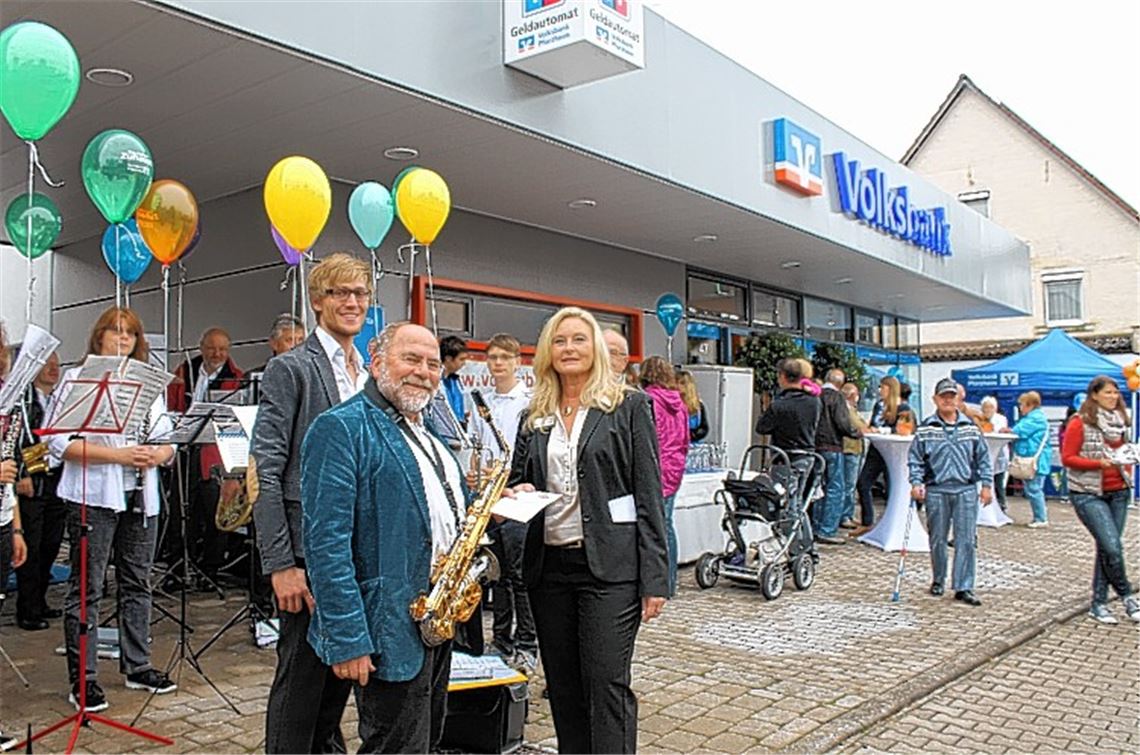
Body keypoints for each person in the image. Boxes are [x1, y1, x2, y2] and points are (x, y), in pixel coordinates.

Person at [507, 306, 668, 754]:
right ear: (547, 352)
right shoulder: (534, 413)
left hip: (610, 568)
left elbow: (648, 492)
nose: (569, 348)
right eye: (559, 341)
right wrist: (515, 489)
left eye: (578, 339)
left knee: (605, 683)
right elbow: (520, 477)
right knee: (563, 686)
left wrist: (656, 577)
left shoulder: (628, 405)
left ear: (594, 347)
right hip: (549, 568)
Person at [302, 323, 466, 753]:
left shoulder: (427, 433)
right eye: (411, 359)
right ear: (376, 363)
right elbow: (326, 546)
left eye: (433, 364)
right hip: (387, 624)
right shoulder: (340, 428)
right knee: (394, 746)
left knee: (426, 739)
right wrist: (347, 639)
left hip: (437, 616)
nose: (424, 372)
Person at [251, 252, 372, 754]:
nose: (351, 302)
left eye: (360, 293)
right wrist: (280, 564)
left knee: (336, 683)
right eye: (340, 293)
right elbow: (265, 470)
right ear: (318, 302)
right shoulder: (290, 369)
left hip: (357, 550)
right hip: (306, 554)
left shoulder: (368, 372)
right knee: (300, 686)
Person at [47, 307, 178, 712]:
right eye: (115, 332)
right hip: (94, 496)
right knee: (87, 587)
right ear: (98, 336)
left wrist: (158, 453)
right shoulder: (77, 379)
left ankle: (137, 665)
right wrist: (117, 456)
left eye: (131, 335)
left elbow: (169, 441)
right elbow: (58, 443)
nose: (123, 340)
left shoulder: (147, 384)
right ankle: (83, 680)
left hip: (140, 497)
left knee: (138, 582)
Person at [468, 334, 537, 670]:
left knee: (519, 575)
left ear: (517, 362)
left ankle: (527, 644)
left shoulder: (529, 402)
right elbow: (477, 447)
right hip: (488, 493)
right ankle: (501, 641)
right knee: (497, 575)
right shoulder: (483, 401)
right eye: (491, 357)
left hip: (515, 492)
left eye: (503, 358)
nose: (496, 364)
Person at [167, 326, 245, 587]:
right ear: (202, 347)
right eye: (212, 348)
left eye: (223, 349)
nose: (217, 354)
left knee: (215, 514)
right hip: (185, 451)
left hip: (216, 455)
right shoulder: (184, 371)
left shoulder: (236, 377)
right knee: (181, 513)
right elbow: (172, 407)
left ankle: (209, 571)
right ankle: (178, 569)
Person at [1060, 376, 1139, 624]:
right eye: (1108, 393)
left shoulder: (1121, 422)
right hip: (1088, 492)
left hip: (1118, 490)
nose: (1113, 397)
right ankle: (1127, 595)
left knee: (1107, 548)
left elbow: (1122, 451)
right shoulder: (1080, 423)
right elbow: (1067, 458)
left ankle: (1099, 603)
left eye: (1116, 393)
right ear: (1094, 395)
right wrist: (1098, 463)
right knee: (1112, 546)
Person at [909, 378, 993, 606]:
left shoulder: (970, 428)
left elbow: (983, 458)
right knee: (937, 538)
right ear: (935, 399)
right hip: (937, 490)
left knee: (966, 540)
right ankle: (938, 579)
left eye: (951, 396)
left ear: (958, 399)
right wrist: (916, 482)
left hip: (965, 489)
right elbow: (915, 459)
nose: (948, 400)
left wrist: (986, 485)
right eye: (943, 396)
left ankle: (964, 586)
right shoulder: (926, 428)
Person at [15, 352, 67, 631]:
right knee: (31, 545)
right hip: (33, 480)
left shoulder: (59, 400)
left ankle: (41, 599)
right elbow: (18, 440)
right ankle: (28, 608)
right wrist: (24, 473)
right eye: (47, 364)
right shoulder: (24, 401)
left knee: (52, 542)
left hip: (57, 479)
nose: (53, 369)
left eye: (57, 365)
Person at [639, 356, 690, 597]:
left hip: (655, 468)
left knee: (653, 528)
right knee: (667, 526)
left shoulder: (647, 400)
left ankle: (657, 585)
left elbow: (649, 438)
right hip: (674, 467)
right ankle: (669, 583)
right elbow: (685, 439)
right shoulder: (678, 402)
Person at [855, 376, 910, 532]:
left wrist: (881, 430)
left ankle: (893, 521)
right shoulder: (878, 406)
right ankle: (867, 522)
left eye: (883, 387)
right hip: (876, 450)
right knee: (863, 482)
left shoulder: (902, 408)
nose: (880, 390)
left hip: (893, 452)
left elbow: (904, 429)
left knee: (891, 486)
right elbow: (873, 424)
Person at [814, 369, 860, 545]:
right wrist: (856, 433)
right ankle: (828, 529)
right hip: (832, 446)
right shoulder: (837, 397)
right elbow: (842, 422)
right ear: (840, 384)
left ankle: (817, 525)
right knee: (835, 488)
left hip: (816, 446)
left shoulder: (816, 395)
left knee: (819, 488)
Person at [754, 358, 822, 454]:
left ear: (782, 376)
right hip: (807, 454)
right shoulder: (815, 401)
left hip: (782, 456)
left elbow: (761, 428)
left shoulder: (779, 404)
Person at [1010, 390, 1051, 527]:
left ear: (1030, 405)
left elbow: (1018, 431)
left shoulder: (1034, 419)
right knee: (1033, 489)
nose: (1020, 408)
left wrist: (1009, 430)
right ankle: (1039, 517)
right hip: (1036, 460)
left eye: (1022, 405)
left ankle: (1041, 518)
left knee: (1034, 489)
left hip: (1035, 461)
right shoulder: (1035, 418)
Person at [426, 335, 469, 450]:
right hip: (440, 440)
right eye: (461, 359)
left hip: (459, 437)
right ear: (449, 358)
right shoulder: (435, 381)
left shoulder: (456, 381)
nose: (464, 363)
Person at [839, 382, 868, 529]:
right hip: (850, 449)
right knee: (849, 485)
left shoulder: (851, 409)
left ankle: (847, 514)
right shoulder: (847, 410)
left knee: (849, 484)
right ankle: (845, 515)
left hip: (853, 449)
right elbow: (858, 426)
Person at [980, 396, 1010, 512]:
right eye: (985, 407)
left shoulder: (1001, 419)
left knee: (999, 482)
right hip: (983, 455)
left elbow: (999, 431)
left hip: (999, 454)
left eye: (990, 407)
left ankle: (1002, 505)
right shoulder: (979, 418)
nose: (987, 410)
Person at [676, 370, 709, 443]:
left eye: (682, 383)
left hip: (694, 447)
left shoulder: (698, 405)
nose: (678, 386)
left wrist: (691, 435)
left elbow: (704, 428)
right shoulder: (672, 403)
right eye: (676, 383)